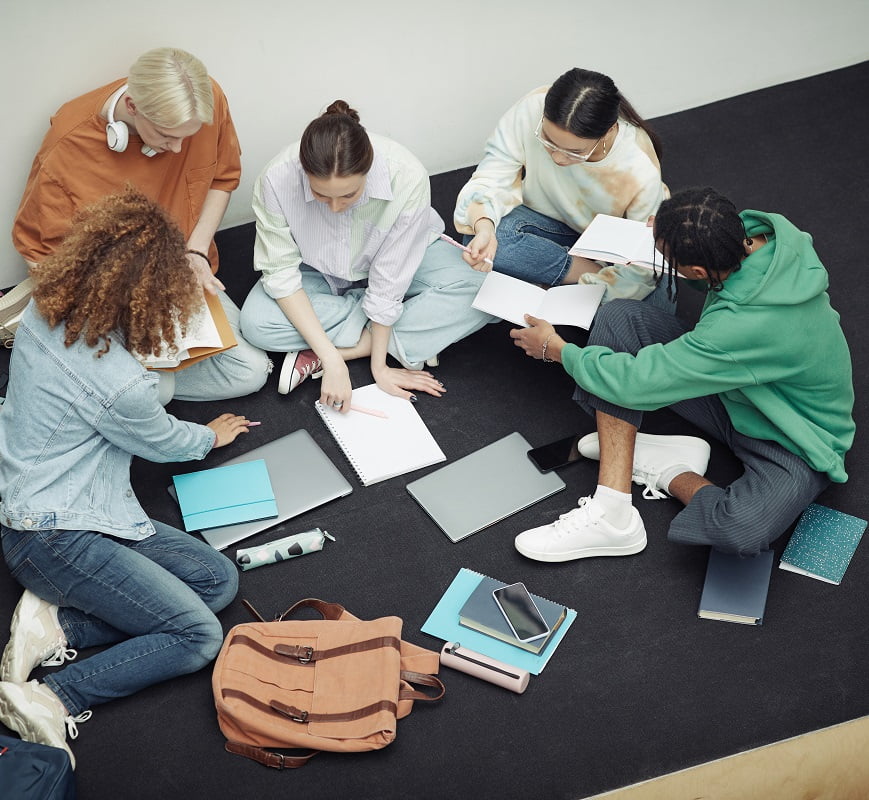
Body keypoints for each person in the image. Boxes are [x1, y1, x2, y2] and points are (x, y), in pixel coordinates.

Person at [0, 190, 251, 767]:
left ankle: (59, 626)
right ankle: (53, 696)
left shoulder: (46, 306)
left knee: (216, 581)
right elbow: (163, 440)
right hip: (49, 534)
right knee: (198, 636)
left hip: (65, 501)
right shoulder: (120, 383)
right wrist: (211, 435)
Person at [509, 187, 855, 562]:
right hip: (740, 388)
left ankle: (668, 469)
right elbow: (715, 280)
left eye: (667, 257)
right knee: (619, 316)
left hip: (794, 435)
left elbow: (635, 382)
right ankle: (612, 510)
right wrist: (672, 233)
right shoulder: (766, 239)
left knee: (738, 530)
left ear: (698, 271)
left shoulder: (738, 329)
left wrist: (557, 349)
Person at [12, 46, 270, 403]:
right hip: (108, 294)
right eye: (166, 136)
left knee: (252, 372)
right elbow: (40, 255)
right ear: (132, 107)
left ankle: (122, 394)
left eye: (188, 137)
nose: (179, 149)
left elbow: (222, 179)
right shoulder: (68, 148)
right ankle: (138, 393)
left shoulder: (208, 101)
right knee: (155, 395)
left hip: (181, 273)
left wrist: (195, 251)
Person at [239, 100, 493, 406]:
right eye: (320, 195)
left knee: (484, 290)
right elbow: (280, 273)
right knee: (256, 324)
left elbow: (391, 278)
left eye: (348, 195)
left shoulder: (407, 175)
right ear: (304, 171)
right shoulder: (275, 178)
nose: (334, 207)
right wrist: (333, 360)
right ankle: (411, 328)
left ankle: (349, 346)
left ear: (368, 170)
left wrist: (378, 367)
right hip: (317, 271)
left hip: (404, 262)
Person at [454, 67, 674, 310]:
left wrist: (607, 282)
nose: (558, 158)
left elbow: (641, 258)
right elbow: (492, 175)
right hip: (553, 226)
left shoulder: (638, 166)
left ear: (609, 131)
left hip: (616, 249)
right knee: (484, 235)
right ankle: (583, 277)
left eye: (575, 152)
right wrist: (484, 228)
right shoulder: (532, 108)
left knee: (642, 313)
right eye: (548, 141)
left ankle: (573, 282)